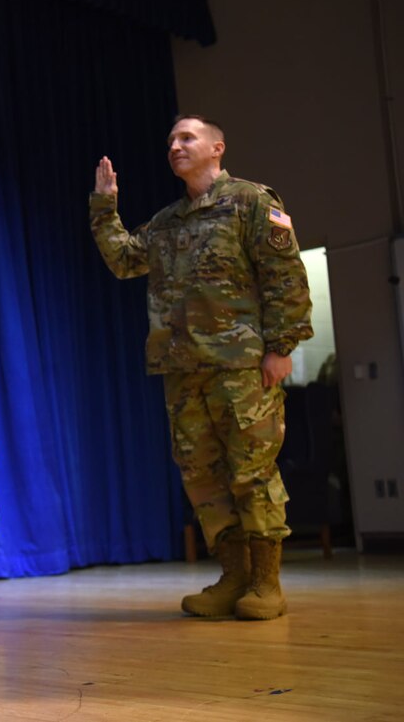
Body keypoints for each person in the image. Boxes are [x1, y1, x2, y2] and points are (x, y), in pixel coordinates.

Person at [89, 115, 313, 621]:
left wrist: (282, 346)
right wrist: (105, 206)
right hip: (183, 369)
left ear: (217, 148)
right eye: (170, 139)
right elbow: (125, 261)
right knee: (202, 476)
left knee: (252, 471)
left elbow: (285, 276)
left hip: (242, 366)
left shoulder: (251, 202)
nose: (175, 145)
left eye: (186, 137)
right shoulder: (168, 221)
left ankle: (265, 582)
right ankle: (232, 575)